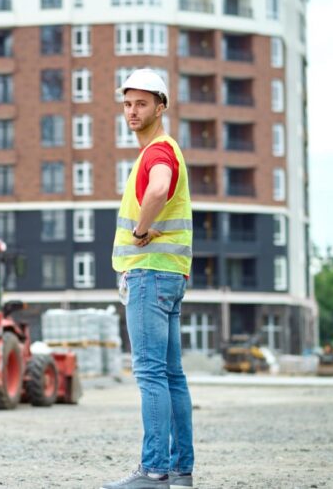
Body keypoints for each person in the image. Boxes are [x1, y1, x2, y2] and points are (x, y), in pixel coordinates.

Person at [101, 69, 194, 489]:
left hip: (149, 276)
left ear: (161, 106)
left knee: (151, 374)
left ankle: (154, 471)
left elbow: (157, 191)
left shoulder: (157, 153)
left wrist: (140, 231)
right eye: (127, 103)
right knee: (172, 376)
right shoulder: (166, 149)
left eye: (142, 103)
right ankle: (179, 471)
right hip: (170, 277)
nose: (132, 111)